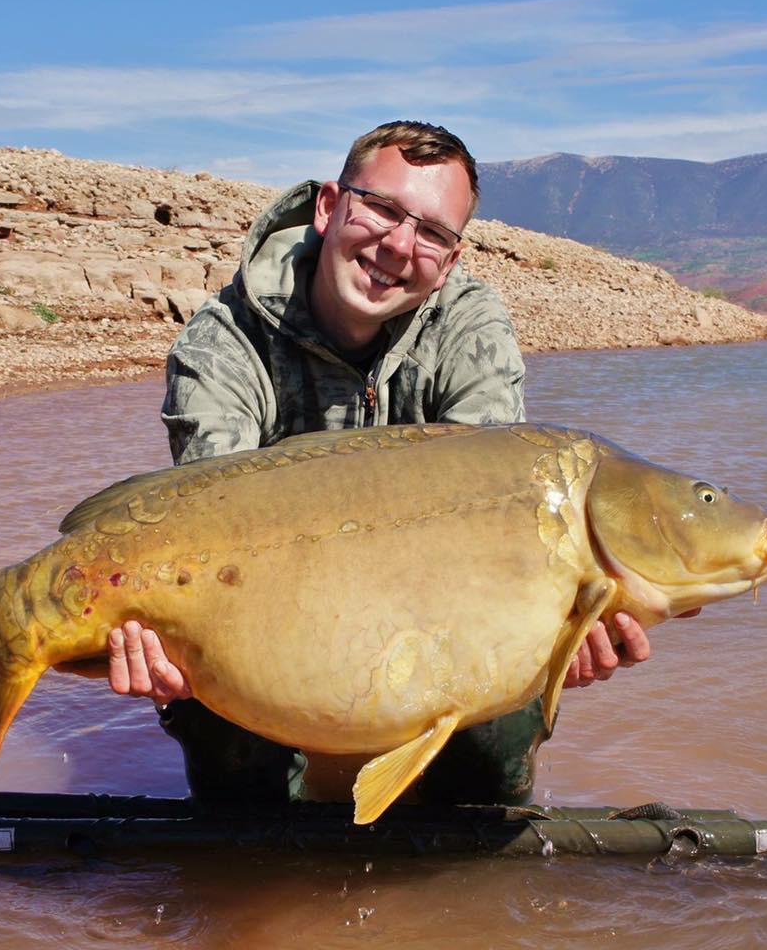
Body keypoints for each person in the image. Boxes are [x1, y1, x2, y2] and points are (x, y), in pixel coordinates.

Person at [106, 121, 689, 806]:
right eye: (382, 209)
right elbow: (211, 531)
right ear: (329, 207)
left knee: (499, 723)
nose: (399, 245)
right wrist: (160, 641)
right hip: (264, 608)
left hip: (421, 611)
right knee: (231, 754)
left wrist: (557, 637)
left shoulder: (470, 329)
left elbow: (496, 528)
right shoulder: (223, 344)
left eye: (433, 233)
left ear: (450, 258)